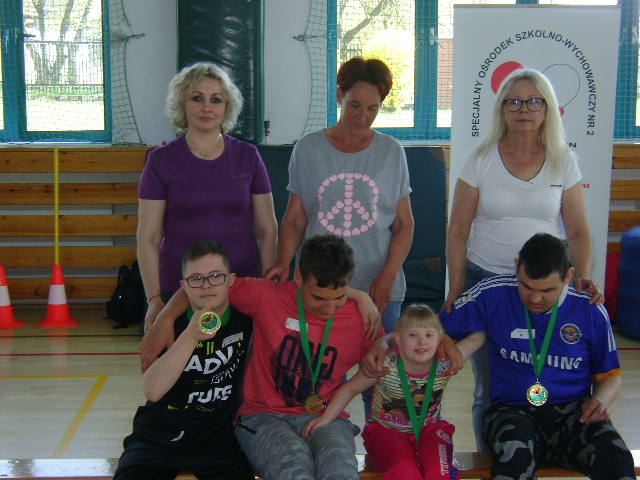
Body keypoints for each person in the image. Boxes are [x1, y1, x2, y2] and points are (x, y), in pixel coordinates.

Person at [443, 67, 602, 449]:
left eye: (533, 102)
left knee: (549, 379)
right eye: (514, 102)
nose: (523, 109)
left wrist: (580, 279)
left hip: (547, 290)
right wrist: (457, 287)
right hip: (487, 285)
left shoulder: (564, 160)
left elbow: (579, 232)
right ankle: (494, 459)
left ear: (547, 110)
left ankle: (545, 453)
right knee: (490, 388)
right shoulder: (480, 159)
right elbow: (458, 230)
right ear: (502, 109)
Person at [143, 234, 382, 480]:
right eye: (318, 298)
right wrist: (165, 317)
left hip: (326, 417)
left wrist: (369, 317)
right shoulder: (265, 296)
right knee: (295, 468)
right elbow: (204, 285)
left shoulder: (362, 318)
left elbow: (385, 359)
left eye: (339, 297)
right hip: (262, 416)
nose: (329, 308)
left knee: (339, 470)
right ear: (299, 278)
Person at [264, 56, 415, 420]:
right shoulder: (309, 148)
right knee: (318, 383)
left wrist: (388, 274)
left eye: (373, 109)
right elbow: (295, 219)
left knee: (382, 387)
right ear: (339, 96)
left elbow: (404, 225)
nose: (363, 117)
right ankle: (323, 443)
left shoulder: (391, 152)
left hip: (378, 289)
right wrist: (283, 261)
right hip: (321, 291)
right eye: (355, 106)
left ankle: (382, 446)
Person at [440, 233, 636, 480]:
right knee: (515, 455)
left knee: (616, 457)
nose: (535, 299)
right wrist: (440, 339)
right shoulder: (493, 293)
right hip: (511, 411)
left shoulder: (590, 309)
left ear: (568, 276)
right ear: (516, 267)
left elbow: (610, 377)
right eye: (526, 286)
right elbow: (433, 328)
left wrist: (602, 401)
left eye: (547, 290)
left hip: (573, 415)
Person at [137, 61, 277, 329]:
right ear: (182, 104)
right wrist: (154, 298)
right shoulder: (161, 161)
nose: (206, 107)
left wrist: (268, 288)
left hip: (241, 286)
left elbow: (267, 229)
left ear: (227, 107)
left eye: (216, 100)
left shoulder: (248, 156)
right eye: (197, 98)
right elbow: (148, 237)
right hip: (179, 291)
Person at [113, 240, 254, 480]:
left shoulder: (246, 322)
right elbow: (153, 391)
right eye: (196, 279)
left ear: (230, 280)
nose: (206, 285)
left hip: (217, 434)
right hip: (159, 431)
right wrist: (190, 335)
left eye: (215, 276)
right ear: (184, 286)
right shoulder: (168, 326)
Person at [303, 304, 481, 480]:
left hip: (429, 430)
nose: (422, 342)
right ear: (398, 339)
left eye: (429, 335)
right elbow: (350, 388)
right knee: (405, 472)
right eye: (413, 335)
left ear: (440, 340)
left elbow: (476, 338)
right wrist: (325, 419)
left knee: (438, 473)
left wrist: (491, 314)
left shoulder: (446, 363)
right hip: (386, 432)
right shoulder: (385, 365)